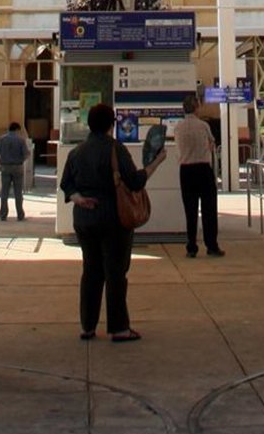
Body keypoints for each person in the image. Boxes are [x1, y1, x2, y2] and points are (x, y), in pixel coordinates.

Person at [60, 101, 165, 343]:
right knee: (115, 272)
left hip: (85, 218)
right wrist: (156, 163)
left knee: (91, 271)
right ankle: (118, 327)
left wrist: (79, 199)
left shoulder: (77, 151)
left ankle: (87, 326)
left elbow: (66, 184)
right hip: (113, 218)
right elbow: (135, 181)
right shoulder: (116, 149)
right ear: (112, 124)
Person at [174, 94, 224, 258]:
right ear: (196, 107)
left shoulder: (178, 127)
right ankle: (211, 245)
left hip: (186, 170)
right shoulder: (203, 126)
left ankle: (191, 246)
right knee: (209, 209)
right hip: (203, 169)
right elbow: (211, 143)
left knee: (190, 210)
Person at [0, 120, 31, 221]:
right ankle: (20, 215)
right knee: (18, 192)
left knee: (4, 192)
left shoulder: (1, 139)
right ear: (17, 129)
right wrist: (21, 160)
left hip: (5, 166)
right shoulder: (21, 140)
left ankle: (3, 214)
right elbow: (27, 154)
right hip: (18, 167)